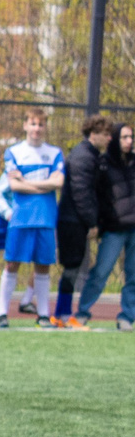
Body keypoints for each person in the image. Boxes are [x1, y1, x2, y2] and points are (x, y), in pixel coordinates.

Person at [0, 109, 65, 330]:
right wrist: (44, 185)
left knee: (43, 266)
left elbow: (58, 183)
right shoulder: (14, 152)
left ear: (46, 127)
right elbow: (14, 186)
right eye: (33, 124)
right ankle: (2, 313)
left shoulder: (54, 153)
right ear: (25, 125)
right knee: (12, 263)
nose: (37, 129)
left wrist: (26, 182)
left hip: (45, 217)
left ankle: (43, 314)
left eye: (41, 124)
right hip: (21, 217)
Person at [81, 119, 135, 328]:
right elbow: (97, 196)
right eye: (124, 137)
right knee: (101, 272)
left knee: (133, 276)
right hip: (114, 228)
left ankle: (127, 316)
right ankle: (83, 311)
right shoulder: (103, 164)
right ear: (114, 139)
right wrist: (97, 223)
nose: (129, 141)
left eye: (131, 137)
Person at [57, 117, 105, 326]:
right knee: (71, 267)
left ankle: (62, 314)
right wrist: (92, 222)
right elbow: (81, 193)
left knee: (73, 266)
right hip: (72, 220)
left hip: (74, 219)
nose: (109, 138)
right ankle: (62, 314)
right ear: (93, 134)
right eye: (105, 134)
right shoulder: (83, 157)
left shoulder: (89, 155)